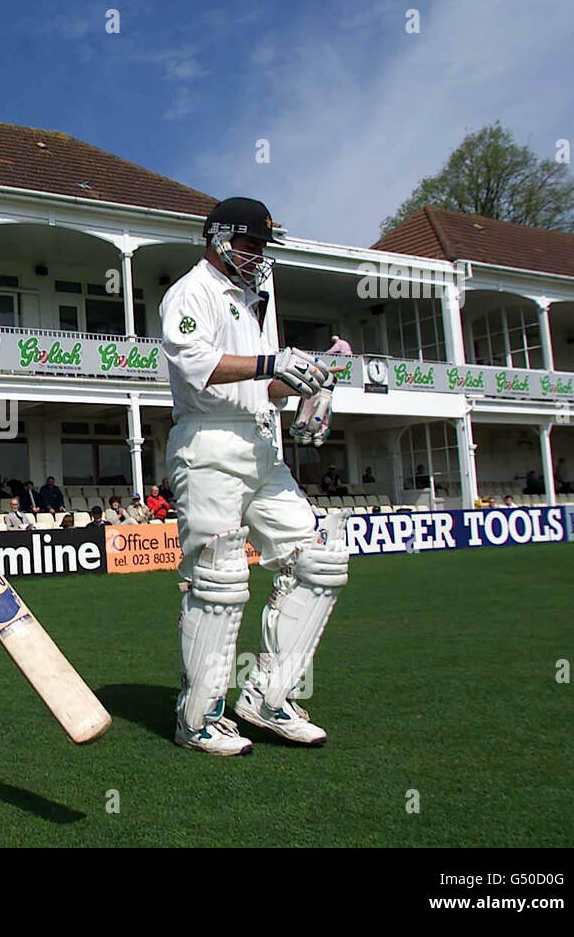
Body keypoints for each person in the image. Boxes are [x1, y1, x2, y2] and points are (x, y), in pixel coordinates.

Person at [159, 195, 347, 755]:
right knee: (218, 578)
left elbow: (263, 384)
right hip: (210, 442)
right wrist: (273, 363)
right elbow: (197, 366)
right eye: (250, 244)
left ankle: (268, 697)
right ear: (218, 240)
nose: (258, 255)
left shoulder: (252, 299)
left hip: (262, 444)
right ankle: (198, 718)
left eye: (263, 246)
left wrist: (314, 382)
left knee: (320, 555)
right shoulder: (191, 292)